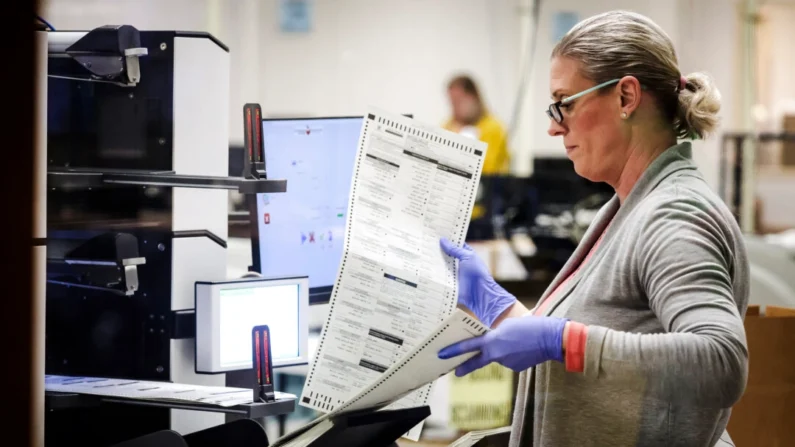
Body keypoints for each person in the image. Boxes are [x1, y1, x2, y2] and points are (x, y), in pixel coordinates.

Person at [438, 10, 749, 447]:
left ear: (625, 97)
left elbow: (720, 363)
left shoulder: (673, 214)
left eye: (565, 102)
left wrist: (560, 339)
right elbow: (611, 334)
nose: (553, 125)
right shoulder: (628, 206)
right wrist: (498, 309)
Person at [444, 75, 511, 175]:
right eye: (453, 103)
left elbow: (488, 169)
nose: (455, 108)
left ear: (474, 97)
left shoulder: (493, 128)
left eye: (459, 101)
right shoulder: (448, 126)